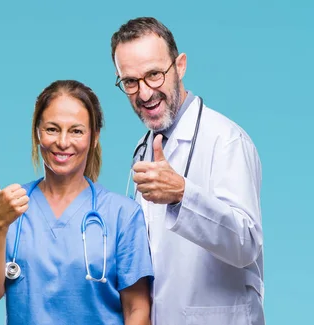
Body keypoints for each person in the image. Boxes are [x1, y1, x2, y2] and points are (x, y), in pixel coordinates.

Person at [0, 80, 154, 324]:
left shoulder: (122, 214)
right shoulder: (6, 209)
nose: (63, 142)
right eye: (52, 129)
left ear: (94, 138)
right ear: (37, 133)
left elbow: (137, 310)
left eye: (76, 131)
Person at [110, 17, 265, 325]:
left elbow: (247, 243)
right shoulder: (144, 147)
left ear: (179, 66)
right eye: (130, 82)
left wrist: (182, 194)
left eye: (154, 75)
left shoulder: (225, 139)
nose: (144, 93)